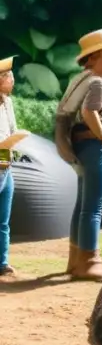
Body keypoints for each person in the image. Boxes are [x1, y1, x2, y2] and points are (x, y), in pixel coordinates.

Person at [57, 29, 102, 282]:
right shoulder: (97, 82)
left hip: (80, 146)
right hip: (94, 147)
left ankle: (75, 261)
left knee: (83, 206)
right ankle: (89, 262)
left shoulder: (80, 79)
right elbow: (89, 112)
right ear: (96, 55)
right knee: (94, 207)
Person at [0, 55, 23, 283]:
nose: (12, 81)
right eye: (8, 76)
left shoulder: (8, 102)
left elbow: (12, 129)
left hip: (7, 164)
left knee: (3, 220)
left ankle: (2, 262)